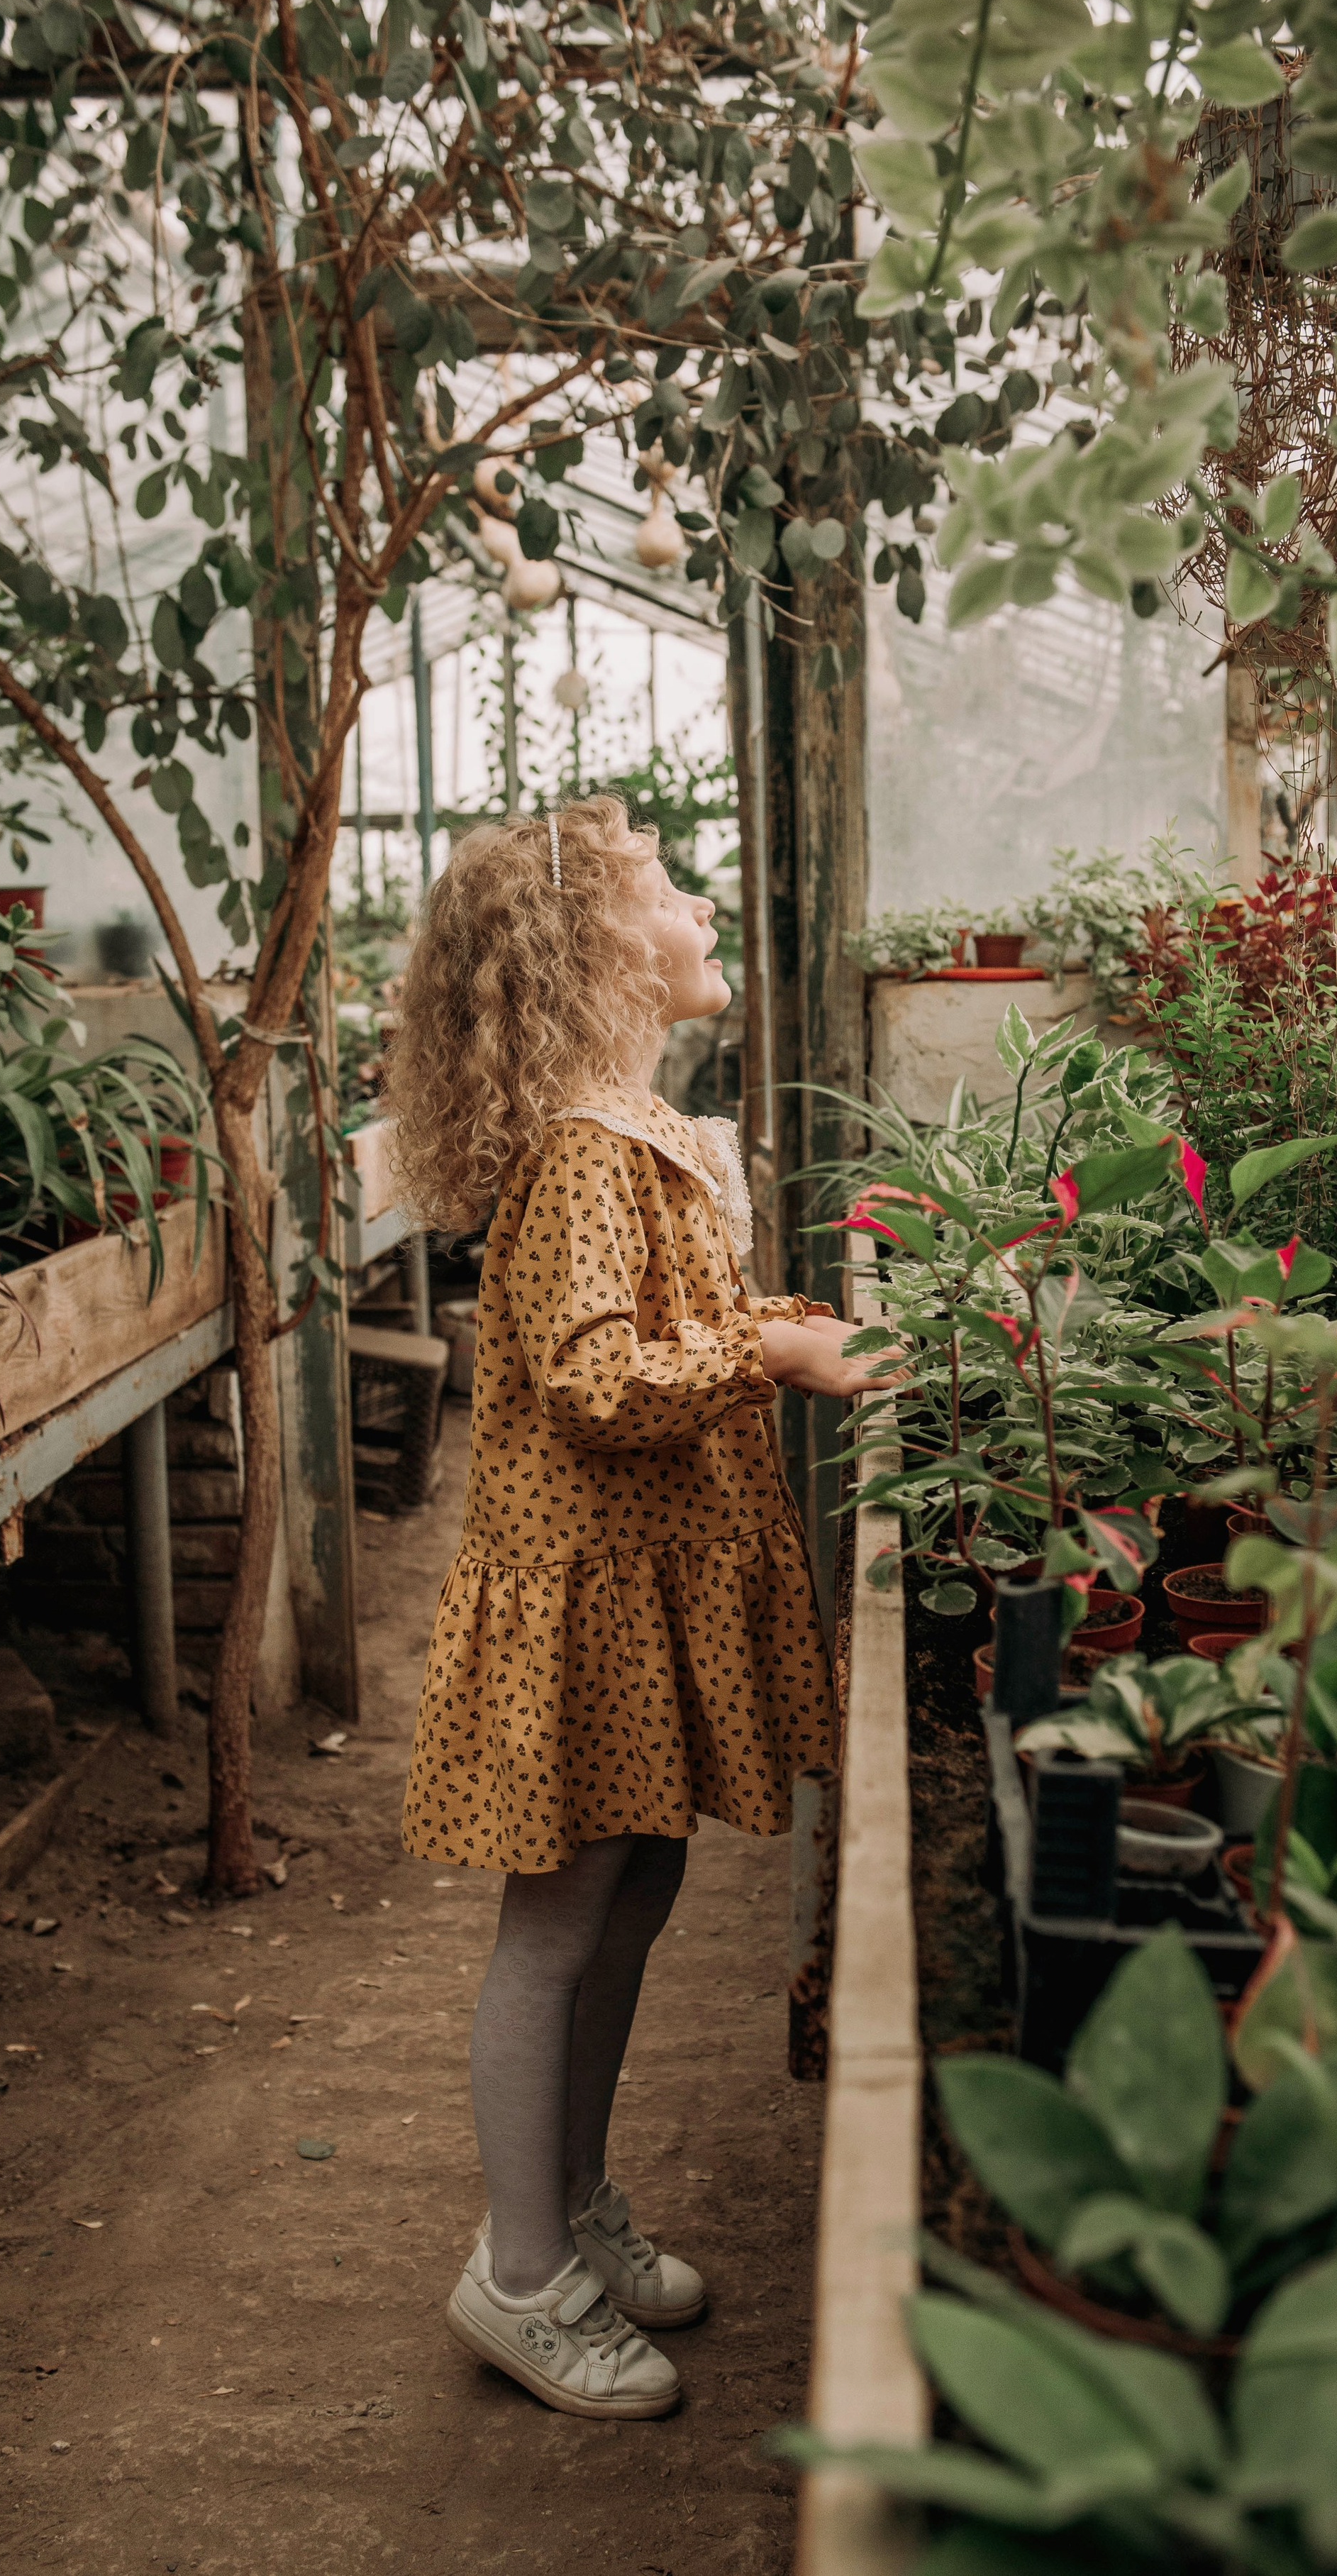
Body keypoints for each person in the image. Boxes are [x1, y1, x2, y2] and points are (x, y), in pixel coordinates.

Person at [385, 793, 894, 2421]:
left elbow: (670, 1318)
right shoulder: (585, 1154)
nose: (699, 907)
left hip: (636, 1584)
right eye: (668, 889)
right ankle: (517, 2270)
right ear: (592, 954)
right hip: (585, 1594)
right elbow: (596, 1380)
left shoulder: (636, 1130)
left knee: (637, 1882)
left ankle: (570, 2196)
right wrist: (772, 1351)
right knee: (554, 1927)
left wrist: (789, 1323)